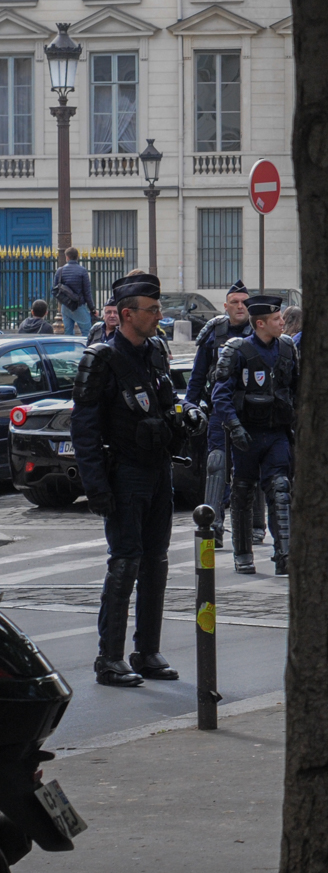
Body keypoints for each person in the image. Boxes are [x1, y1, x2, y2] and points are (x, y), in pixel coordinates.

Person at [70, 272, 206, 688]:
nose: (159, 315)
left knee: (156, 563)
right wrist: (96, 486)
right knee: (125, 562)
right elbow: (85, 428)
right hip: (124, 473)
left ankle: (147, 650)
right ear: (128, 314)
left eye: (159, 308)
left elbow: (167, 403)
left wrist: (187, 415)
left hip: (157, 469)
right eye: (153, 310)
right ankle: (109, 657)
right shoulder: (101, 359)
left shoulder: (156, 352)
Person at [211, 294, 298, 577]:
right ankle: (243, 553)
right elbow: (221, 394)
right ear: (260, 323)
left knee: (281, 489)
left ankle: (284, 553)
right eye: (276, 319)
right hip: (247, 434)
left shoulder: (287, 349)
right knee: (243, 492)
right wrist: (234, 427)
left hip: (276, 433)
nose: (282, 322)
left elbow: (297, 388)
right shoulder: (237, 351)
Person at [184, 280, 254, 547]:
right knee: (217, 465)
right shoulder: (213, 332)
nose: (239, 306)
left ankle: (252, 527)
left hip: (249, 413)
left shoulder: (257, 331)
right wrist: (190, 406)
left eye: (243, 302)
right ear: (225, 306)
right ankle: (213, 526)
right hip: (218, 412)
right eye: (234, 302)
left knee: (248, 473)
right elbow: (198, 376)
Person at [52, 247, 96, 336]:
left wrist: (63, 300)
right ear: (77, 257)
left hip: (66, 305)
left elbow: (54, 289)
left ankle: (70, 349)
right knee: (87, 331)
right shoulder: (82, 271)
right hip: (79, 305)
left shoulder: (60, 270)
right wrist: (92, 308)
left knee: (68, 332)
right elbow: (87, 292)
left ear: (67, 257)